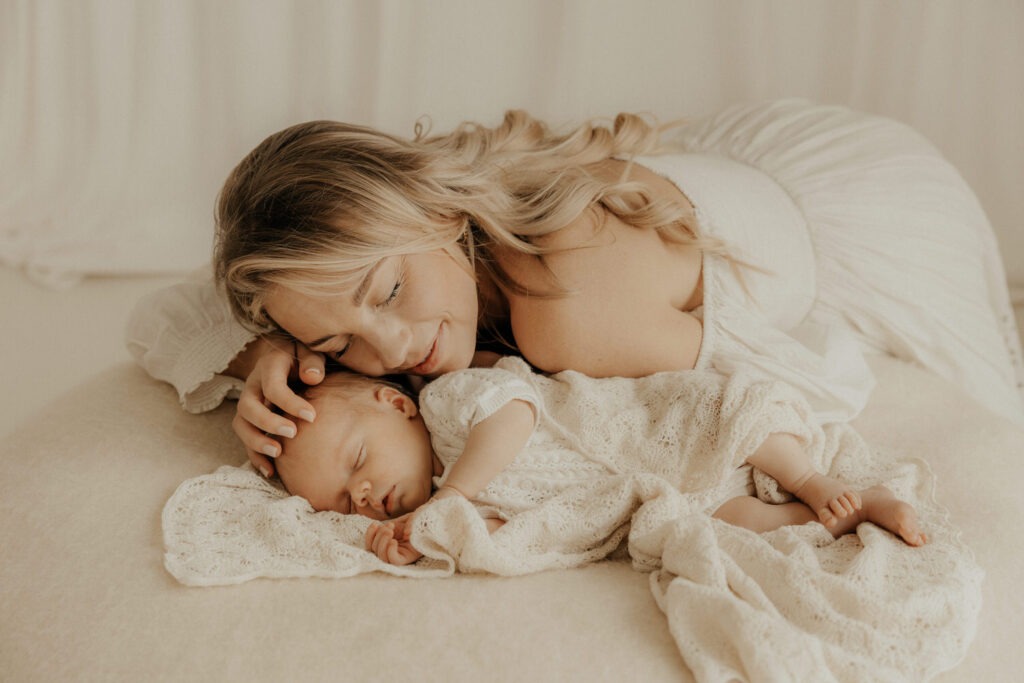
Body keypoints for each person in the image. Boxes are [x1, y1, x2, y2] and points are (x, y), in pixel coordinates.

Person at [126, 100, 1024, 480]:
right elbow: (153, 316)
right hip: (734, 172)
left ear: (434, 207)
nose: (389, 352)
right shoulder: (439, 260)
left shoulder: (568, 313)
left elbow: (806, 386)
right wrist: (271, 352)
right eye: (338, 343)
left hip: (864, 210)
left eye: (389, 290)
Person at [270, 357, 927, 567]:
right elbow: (508, 536)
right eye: (344, 500)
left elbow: (515, 412)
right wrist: (428, 539)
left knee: (734, 418)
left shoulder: (448, 403)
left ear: (396, 404)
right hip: (645, 492)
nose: (362, 492)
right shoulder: (447, 505)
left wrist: (455, 494)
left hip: (648, 429)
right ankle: (838, 516)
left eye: (357, 460)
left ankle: (816, 482)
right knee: (724, 524)